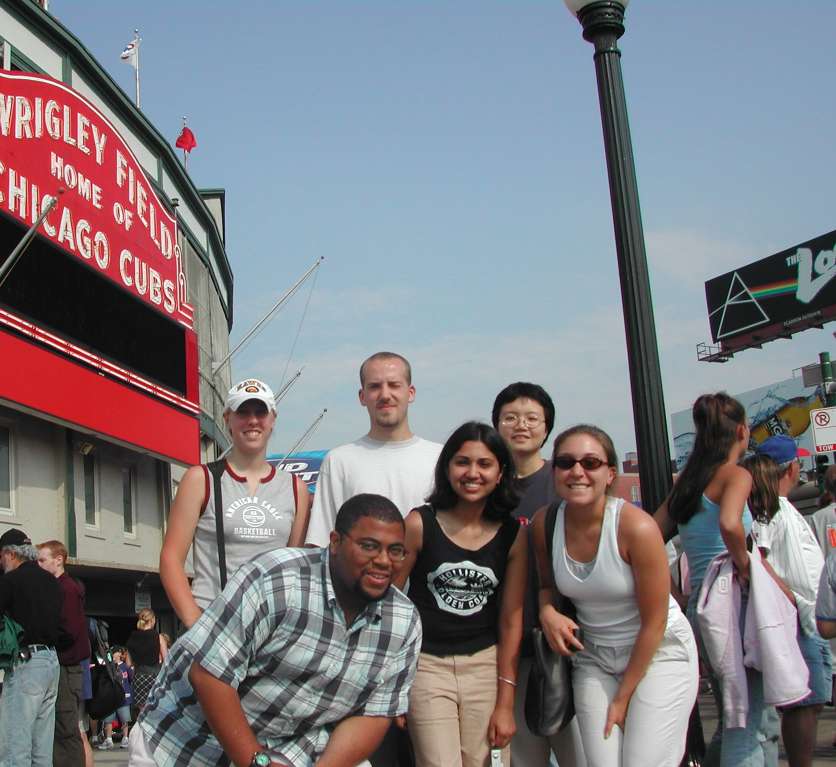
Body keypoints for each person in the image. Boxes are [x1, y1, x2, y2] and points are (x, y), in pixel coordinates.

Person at [129, 493, 422, 767]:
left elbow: (373, 715)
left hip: (296, 748)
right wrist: (257, 761)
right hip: (186, 742)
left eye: (395, 551)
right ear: (335, 542)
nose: (384, 561)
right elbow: (208, 676)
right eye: (369, 546)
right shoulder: (276, 579)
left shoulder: (403, 623)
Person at [534, 425, 697, 767]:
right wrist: (547, 611)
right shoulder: (545, 524)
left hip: (659, 652)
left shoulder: (635, 527)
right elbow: (547, 586)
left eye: (590, 463)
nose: (577, 471)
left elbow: (656, 622)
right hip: (594, 658)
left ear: (610, 474)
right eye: (566, 462)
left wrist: (623, 699)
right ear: (555, 472)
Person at [654, 392, 778, 767]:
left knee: (731, 714)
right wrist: (744, 565)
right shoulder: (737, 475)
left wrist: (674, 592)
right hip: (734, 606)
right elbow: (728, 523)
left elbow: (647, 536)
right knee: (748, 721)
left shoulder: (688, 483)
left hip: (700, 609)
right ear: (743, 431)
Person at [395, 421, 527, 767]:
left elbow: (511, 619)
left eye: (484, 464)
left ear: (500, 473)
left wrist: (505, 702)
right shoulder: (419, 523)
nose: (472, 473)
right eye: (462, 462)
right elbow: (389, 603)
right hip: (427, 666)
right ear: (447, 468)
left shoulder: (513, 535)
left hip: (485, 665)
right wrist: (391, 682)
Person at [160, 378, 311, 628]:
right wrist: (196, 624)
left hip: (272, 628)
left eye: (261, 412)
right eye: (243, 412)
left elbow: (294, 570)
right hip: (214, 620)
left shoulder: (296, 489)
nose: (253, 420)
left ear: (272, 420)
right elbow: (170, 558)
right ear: (227, 419)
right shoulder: (201, 479)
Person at [492, 381, 585, 767]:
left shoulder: (564, 483)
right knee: (526, 758)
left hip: (570, 646)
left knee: (581, 754)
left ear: (547, 428)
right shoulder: (486, 488)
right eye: (510, 417)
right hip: (512, 650)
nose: (521, 425)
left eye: (532, 418)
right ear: (496, 425)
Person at [746, 439, 831, 767]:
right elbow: (759, 559)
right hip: (797, 619)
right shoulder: (770, 510)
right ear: (791, 468)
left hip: (810, 617)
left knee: (814, 700)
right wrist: (791, 599)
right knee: (804, 703)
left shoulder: (783, 508)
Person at [305, 351, 442, 546]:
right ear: (362, 396)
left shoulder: (441, 458)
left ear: (410, 393)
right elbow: (321, 543)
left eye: (394, 385)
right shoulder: (339, 461)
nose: (385, 395)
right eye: (375, 387)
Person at [0, 528, 62, 767]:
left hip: (27, 663)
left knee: (15, 746)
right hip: (51, 662)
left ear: (10, 554)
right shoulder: (52, 581)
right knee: (42, 748)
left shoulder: (11, 581)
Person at [37, 539, 91, 767]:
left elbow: (68, 630)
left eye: (42, 560)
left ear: (58, 560)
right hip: (65, 665)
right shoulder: (62, 587)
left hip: (67, 666)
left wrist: (46, 641)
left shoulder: (66, 588)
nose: (38, 565)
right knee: (63, 726)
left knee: (66, 727)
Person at [125, 608, 166, 720]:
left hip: (139, 677)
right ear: (152, 620)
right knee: (156, 708)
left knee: (141, 710)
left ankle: (142, 733)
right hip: (155, 676)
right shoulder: (158, 637)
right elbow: (167, 659)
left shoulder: (132, 638)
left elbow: (128, 664)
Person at [96, 647, 133, 750]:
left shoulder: (125, 666)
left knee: (125, 718)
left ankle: (125, 738)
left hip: (124, 697)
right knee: (108, 719)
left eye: (115, 652)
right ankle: (108, 739)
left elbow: (131, 679)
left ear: (120, 654)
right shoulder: (107, 666)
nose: (113, 654)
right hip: (111, 697)